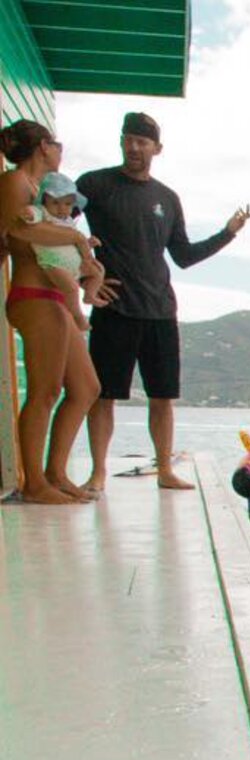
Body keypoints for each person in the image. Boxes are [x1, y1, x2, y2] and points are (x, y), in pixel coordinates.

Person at [78, 111, 250, 493]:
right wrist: (85, 274)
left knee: (162, 397)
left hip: (160, 311)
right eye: (128, 138)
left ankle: (164, 471)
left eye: (142, 142)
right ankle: (97, 473)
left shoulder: (167, 198)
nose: (133, 147)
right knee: (103, 396)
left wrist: (228, 233)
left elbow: (184, 257)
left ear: (157, 149)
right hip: (114, 308)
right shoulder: (94, 184)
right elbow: (59, 222)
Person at [1, 119, 108, 504]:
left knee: (86, 388)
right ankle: (34, 485)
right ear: (43, 147)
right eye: (56, 143)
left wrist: (87, 273)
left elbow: (53, 248)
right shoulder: (15, 184)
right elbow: (18, 235)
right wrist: (77, 238)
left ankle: (55, 472)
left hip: (57, 298)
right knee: (46, 390)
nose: (61, 150)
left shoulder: (41, 191)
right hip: (33, 295)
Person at [27, 173, 92, 331]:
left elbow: (73, 243)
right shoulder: (44, 213)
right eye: (55, 203)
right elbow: (34, 214)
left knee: (98, 271)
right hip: (53, 263)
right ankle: (77, 315)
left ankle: (91, 294)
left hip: (72, 265)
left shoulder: (68, 221)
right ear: (45, 201)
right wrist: (29, 214)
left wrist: (88, 244)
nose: (62, 208)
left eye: (68, 204)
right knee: (71, 288)